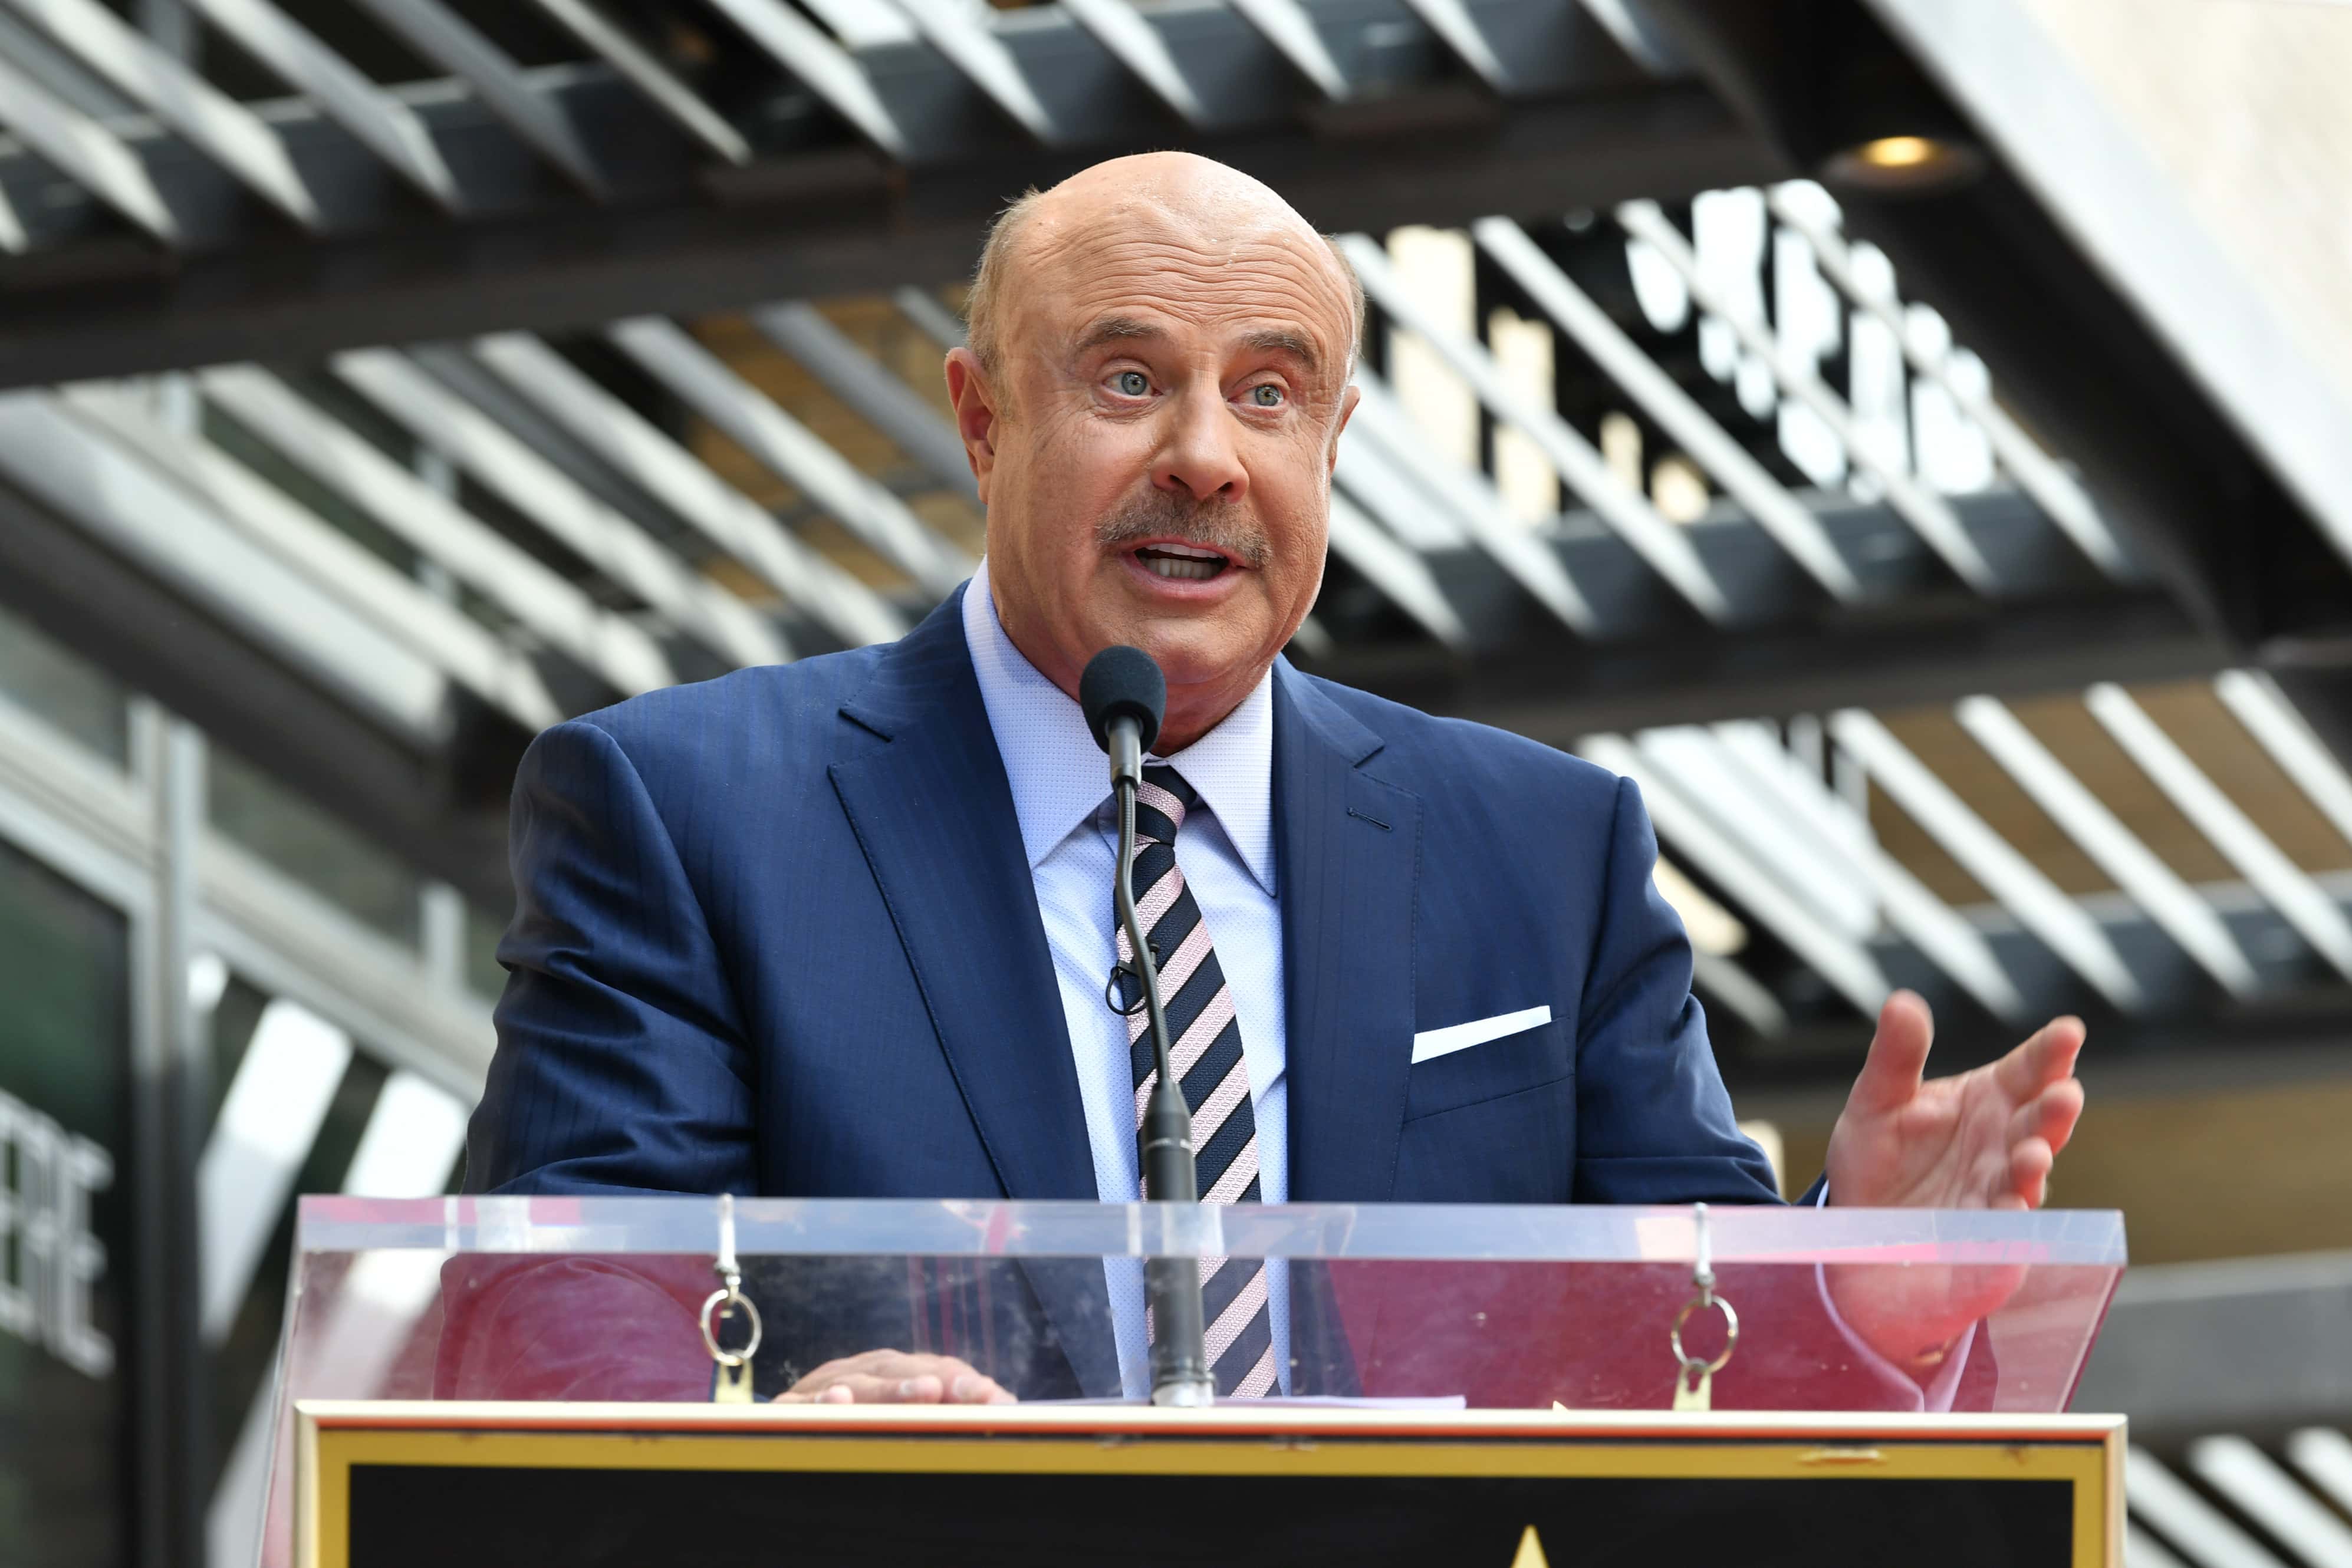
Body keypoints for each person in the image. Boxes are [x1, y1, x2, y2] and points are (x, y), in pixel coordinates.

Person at [461, 152, 2085, 1408]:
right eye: (1126, 378)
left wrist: (1855, 1294)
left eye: (1269, 392)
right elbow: (552, 1307)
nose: (1206, 456)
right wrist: (759, 1441)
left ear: (1334, 440)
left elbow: (1688, 1357)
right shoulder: (689, 810)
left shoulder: (1549, 857)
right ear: (981, 419)